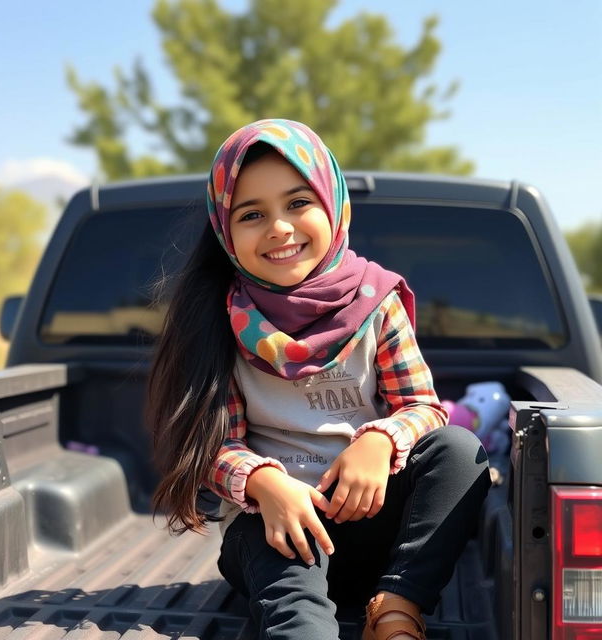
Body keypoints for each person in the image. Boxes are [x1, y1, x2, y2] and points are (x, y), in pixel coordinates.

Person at [147, 119, 492, 640]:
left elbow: (423, 407)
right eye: (252, 214)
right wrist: (266, 486)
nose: (279, 227)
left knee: (460, 451)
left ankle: (397, 608)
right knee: (287, 588)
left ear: (333, 204)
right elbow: (212, 446)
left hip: (374, 523)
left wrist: (379, 440)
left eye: (298, 203)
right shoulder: (216, 318)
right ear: (225, 230)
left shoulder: (379, 302)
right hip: (276, 528)